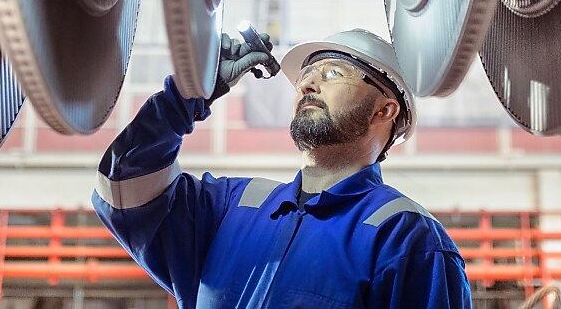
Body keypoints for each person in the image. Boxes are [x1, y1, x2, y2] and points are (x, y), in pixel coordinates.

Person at [93, 27, 473, 308]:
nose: (308, 85)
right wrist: (183, 99)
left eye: (332, 74)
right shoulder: (230, 207)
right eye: (306, 79)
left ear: (384, 110)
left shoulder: (407, 238)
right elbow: (123, 188)